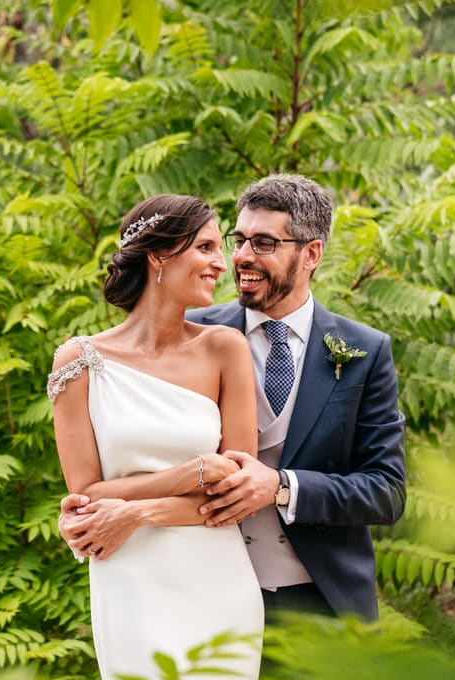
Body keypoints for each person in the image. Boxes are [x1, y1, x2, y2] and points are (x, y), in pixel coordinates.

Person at [61, 174, 407, 622]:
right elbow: (119, 449)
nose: (240, 257)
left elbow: (386, 491)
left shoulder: (365, 351)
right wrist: (84, 514)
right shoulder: (193, 332)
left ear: (311, 253)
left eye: (263, 243)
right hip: (196, 584)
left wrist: (282, 487)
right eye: (238, 239)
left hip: (320, 598)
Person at [47, 194, 264, 680]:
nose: (222, 262)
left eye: (221, 247)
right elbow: (87, 497)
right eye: (207, 246)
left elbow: (238, 493)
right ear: (158, 256)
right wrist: (190, 472)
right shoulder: (80, 361)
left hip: (218, 579)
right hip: (130, 579)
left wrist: (136, 510)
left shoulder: (224, 349)